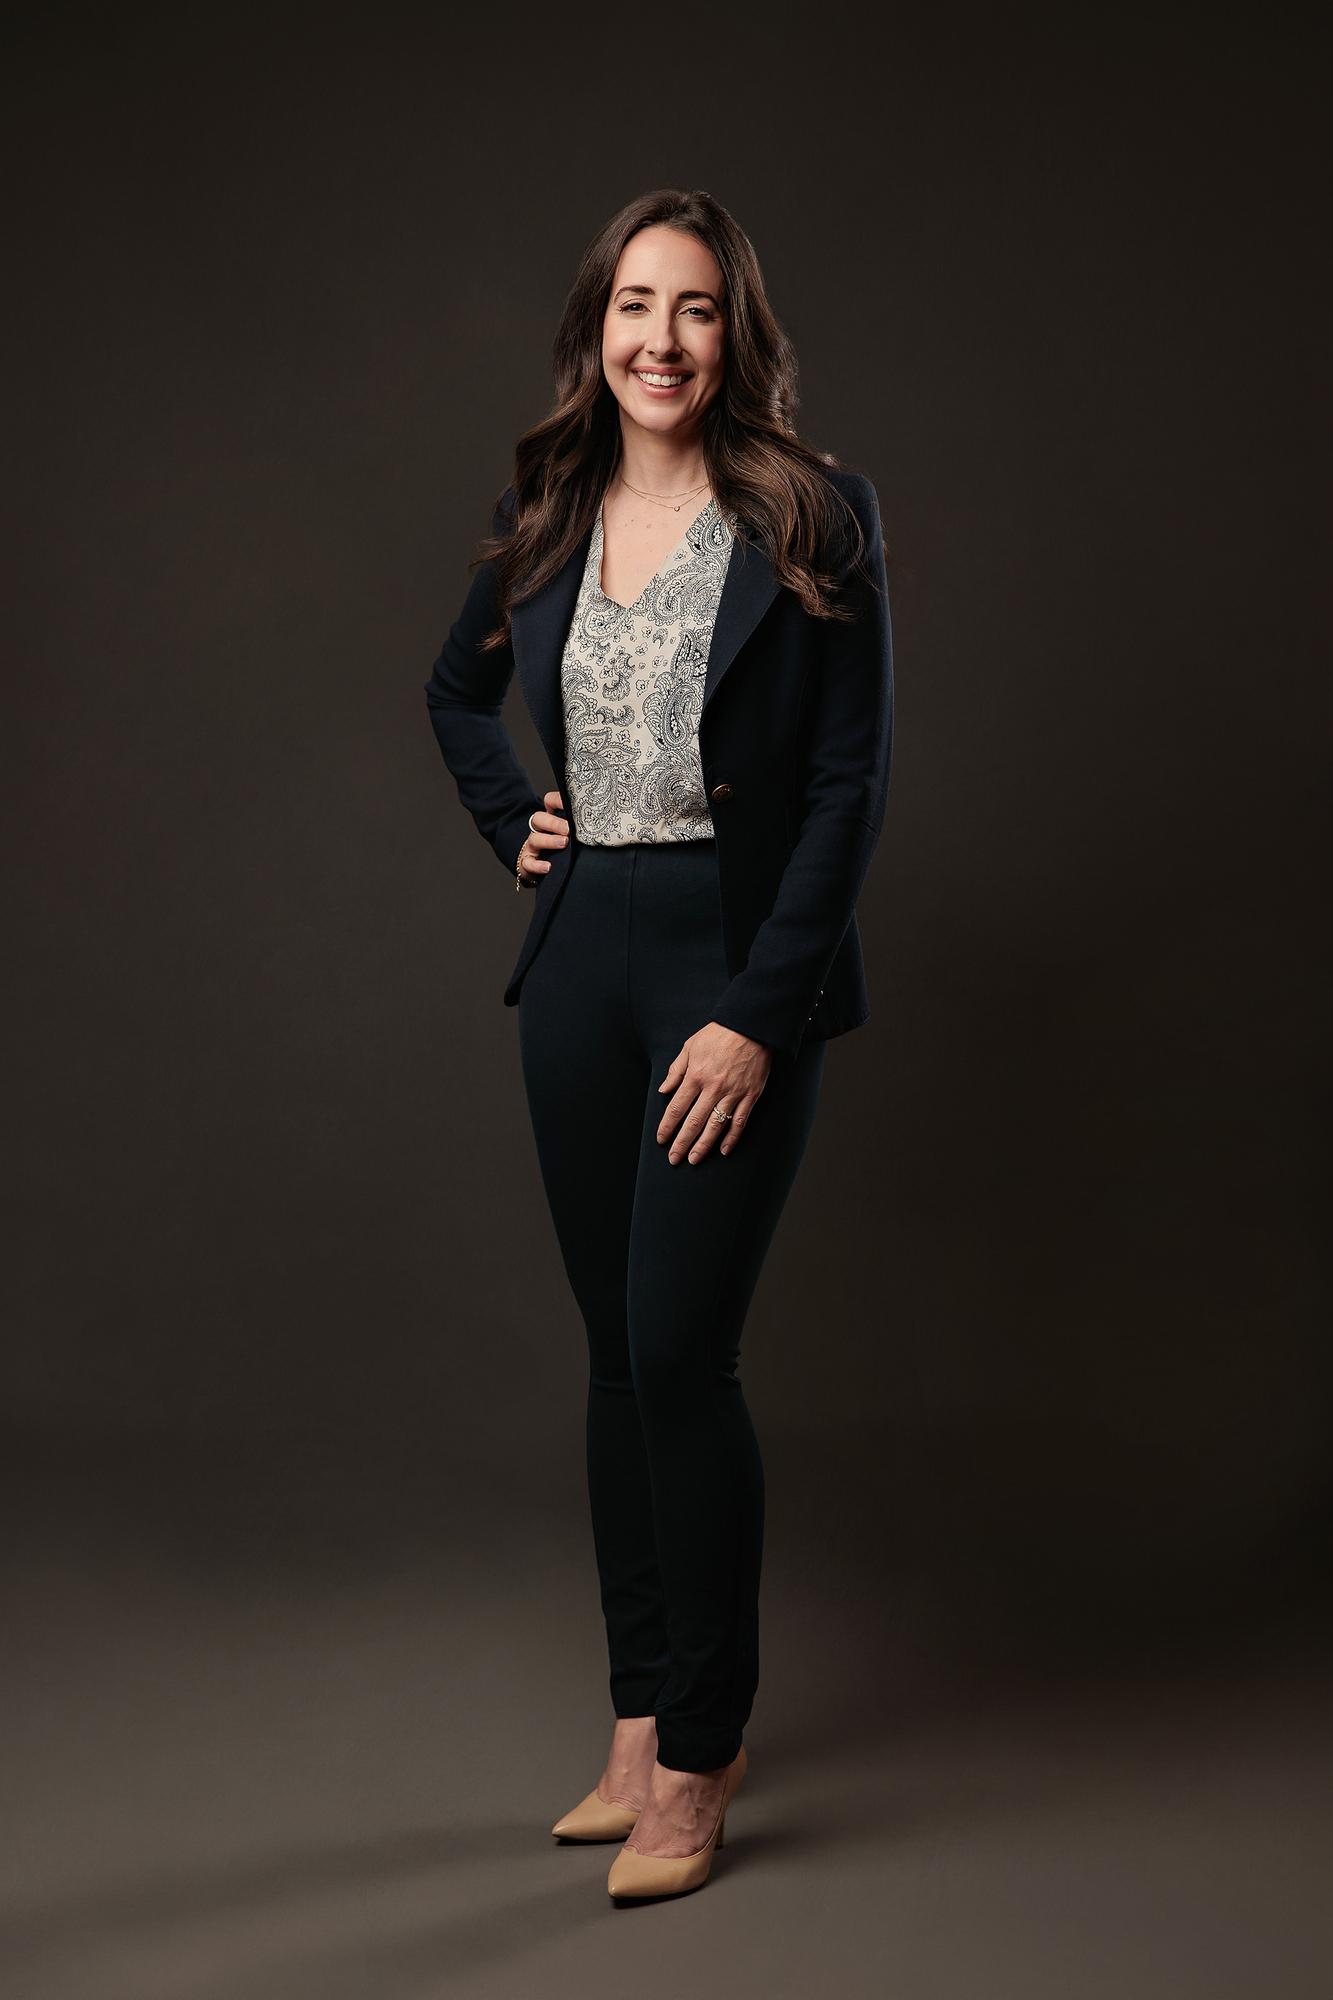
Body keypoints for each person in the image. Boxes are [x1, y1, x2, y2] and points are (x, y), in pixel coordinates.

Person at [423, 188, 893, 1902]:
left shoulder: (810, 517)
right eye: (635, 306)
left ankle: (702, 1749)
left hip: (729, 958)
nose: (661, 342)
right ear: (595, 327)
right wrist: (514, 822)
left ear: (734, 331)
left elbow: (846, 790)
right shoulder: (544, 509)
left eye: (694, 310)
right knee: (614, 1359)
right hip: (578, 963)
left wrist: (757, 1018)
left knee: (683, 1354)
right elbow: (452, 694)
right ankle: (633, 1722)